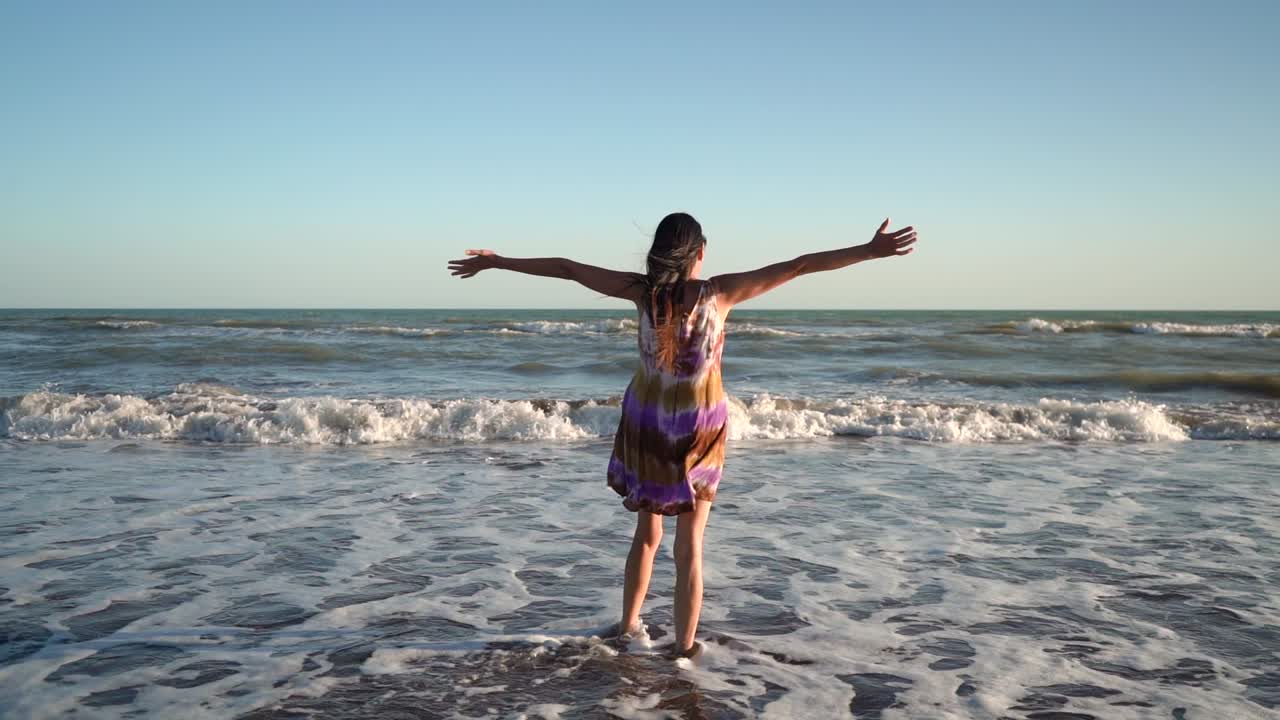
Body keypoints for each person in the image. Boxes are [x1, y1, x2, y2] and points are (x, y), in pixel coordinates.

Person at [448, 212, 917, 658]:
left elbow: (568, 268)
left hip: (647, 421)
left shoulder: (642, 292)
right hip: (700, 426)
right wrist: (869, 251)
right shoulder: (721, 293)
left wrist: (498, 262)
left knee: (647, 533)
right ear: (700, 252)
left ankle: (628, 626)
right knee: (690, 544)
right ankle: (684, 650)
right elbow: (799, 265)